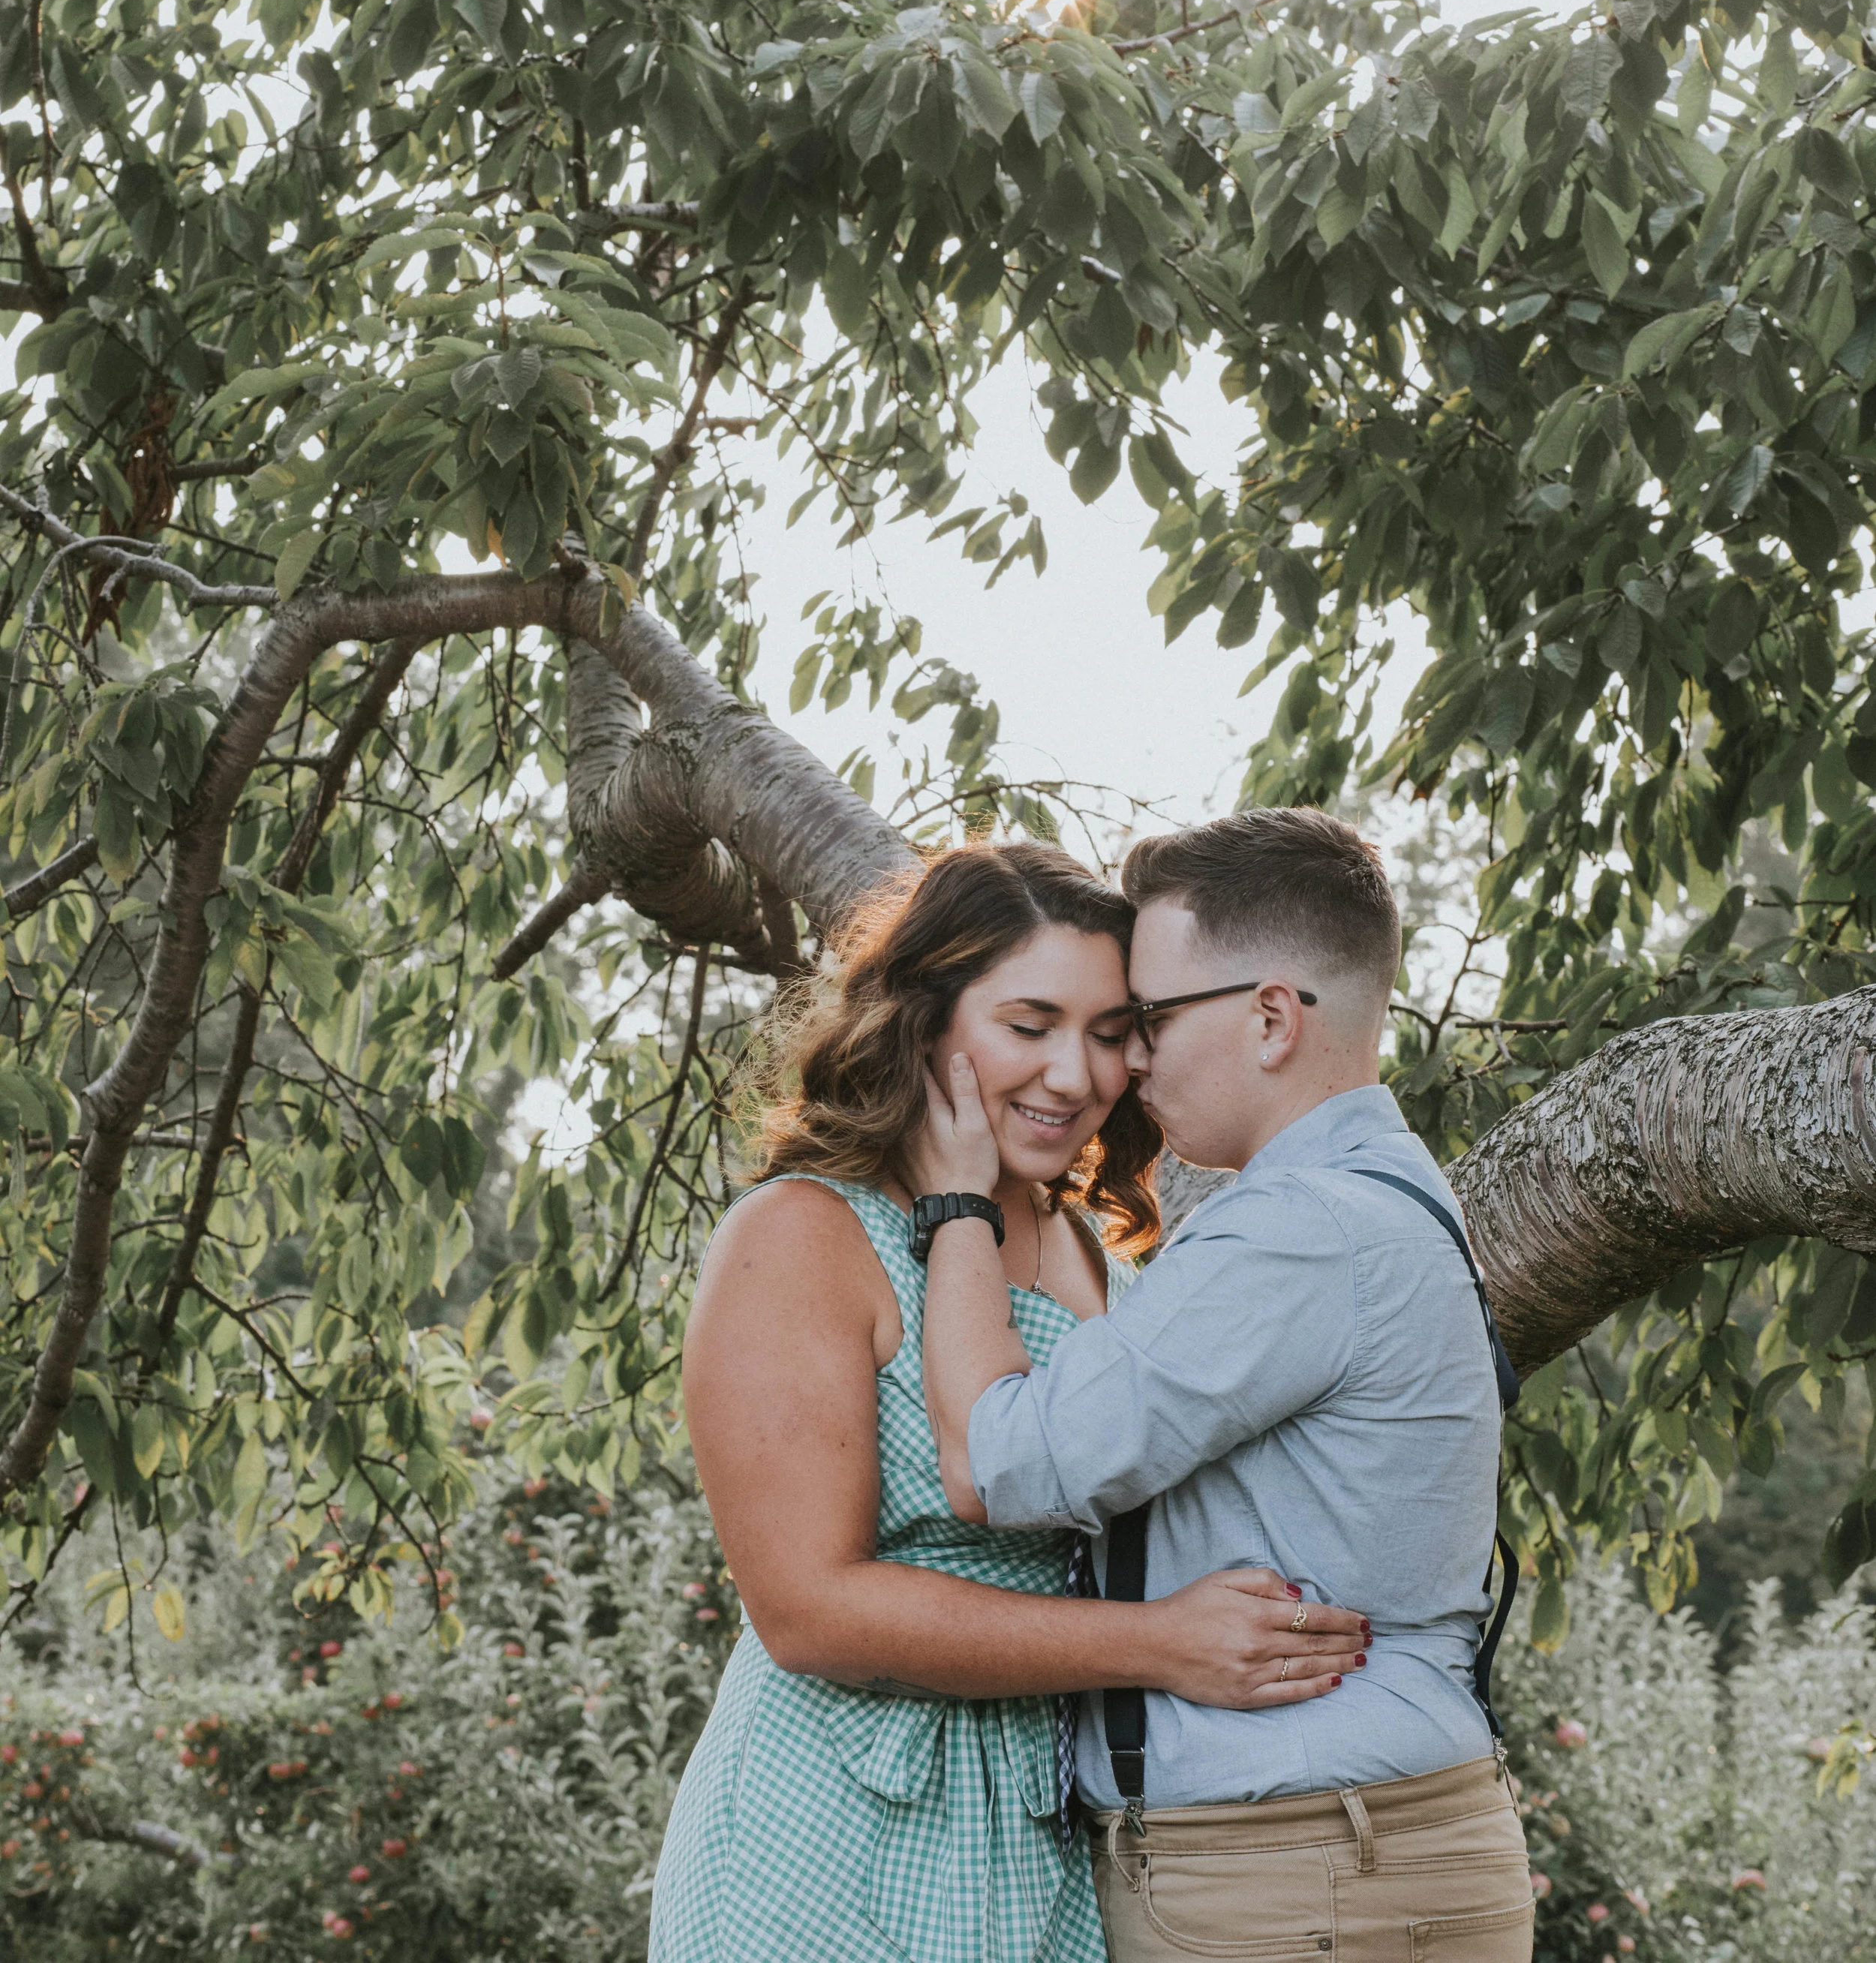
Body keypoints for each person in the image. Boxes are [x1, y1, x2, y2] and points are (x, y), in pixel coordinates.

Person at [649, 841, 1369, 1963]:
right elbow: (807, 1610)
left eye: (1110, 1029)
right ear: (928, 1020)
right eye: (1030, 1025)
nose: (1075, 1074)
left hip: (1037, 1837)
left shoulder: (1092, 1248)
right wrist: (1157, 1646)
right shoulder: (802, 1235)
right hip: (830, 1829)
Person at [913, 810, 1535, 1963]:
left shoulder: (1298, 1230)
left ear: (1269, 1015)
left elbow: (1002, 1459)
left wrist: (956, 1204)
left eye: (1148, 1018)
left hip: (1296, 1875)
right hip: (1364, 1851)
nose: (1130, 1061)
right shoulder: (1390, 1196)